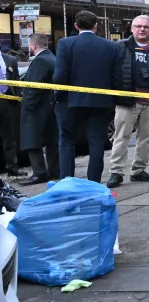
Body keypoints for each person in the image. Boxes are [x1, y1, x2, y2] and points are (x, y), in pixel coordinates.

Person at [106, 15, 149, 189]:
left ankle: (138, 170)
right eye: (138, 26)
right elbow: (111, 72)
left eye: (145, 27)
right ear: (132, 29)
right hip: (127, 100)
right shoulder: (121, 47)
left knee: (145, 138)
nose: (142, 29)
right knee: (120, 136)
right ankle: (116, 172)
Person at [53, 10, 120, 182]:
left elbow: (59, 76)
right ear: (96, 26)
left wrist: (57, 95)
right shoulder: (111, 46)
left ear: (76, 26)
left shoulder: (65, 44)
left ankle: (67, 181)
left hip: (69, 101)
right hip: (100, 101)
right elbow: (116, 76)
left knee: (66, 140)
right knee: (96, 142)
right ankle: (94, 182)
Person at [19, 34, 59, 185]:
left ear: (33, 46)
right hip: (49, 107)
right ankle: (55, 171)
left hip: (37, 109)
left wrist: (28, 104)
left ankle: (39, 173)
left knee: (32, 140)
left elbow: (34, 86)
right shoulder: (52, 58)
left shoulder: (40, 61)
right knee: (51, 141)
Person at [0, 48, 24, 177]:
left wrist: (18, 98)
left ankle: (12, 167)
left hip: (7, 101)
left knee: (9, 137)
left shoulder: (10, 59)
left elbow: (16, 80)